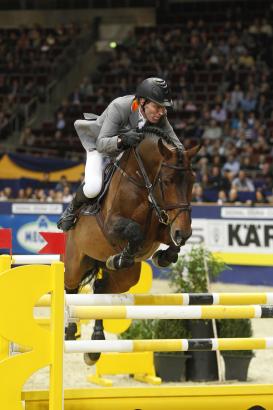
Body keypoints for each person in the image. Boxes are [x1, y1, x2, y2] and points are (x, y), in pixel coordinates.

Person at [57, 77, 184, 231]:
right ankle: (71, 210)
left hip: (126, 151)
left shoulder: (159, 115)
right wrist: (122, 139)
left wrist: (183, 159)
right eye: (158, 107)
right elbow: (102, 145)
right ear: (142, 102)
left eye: (164, 108)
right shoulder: (120, 106)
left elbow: (176, 144)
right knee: (93, 187)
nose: (162, 112)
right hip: (100, 146)